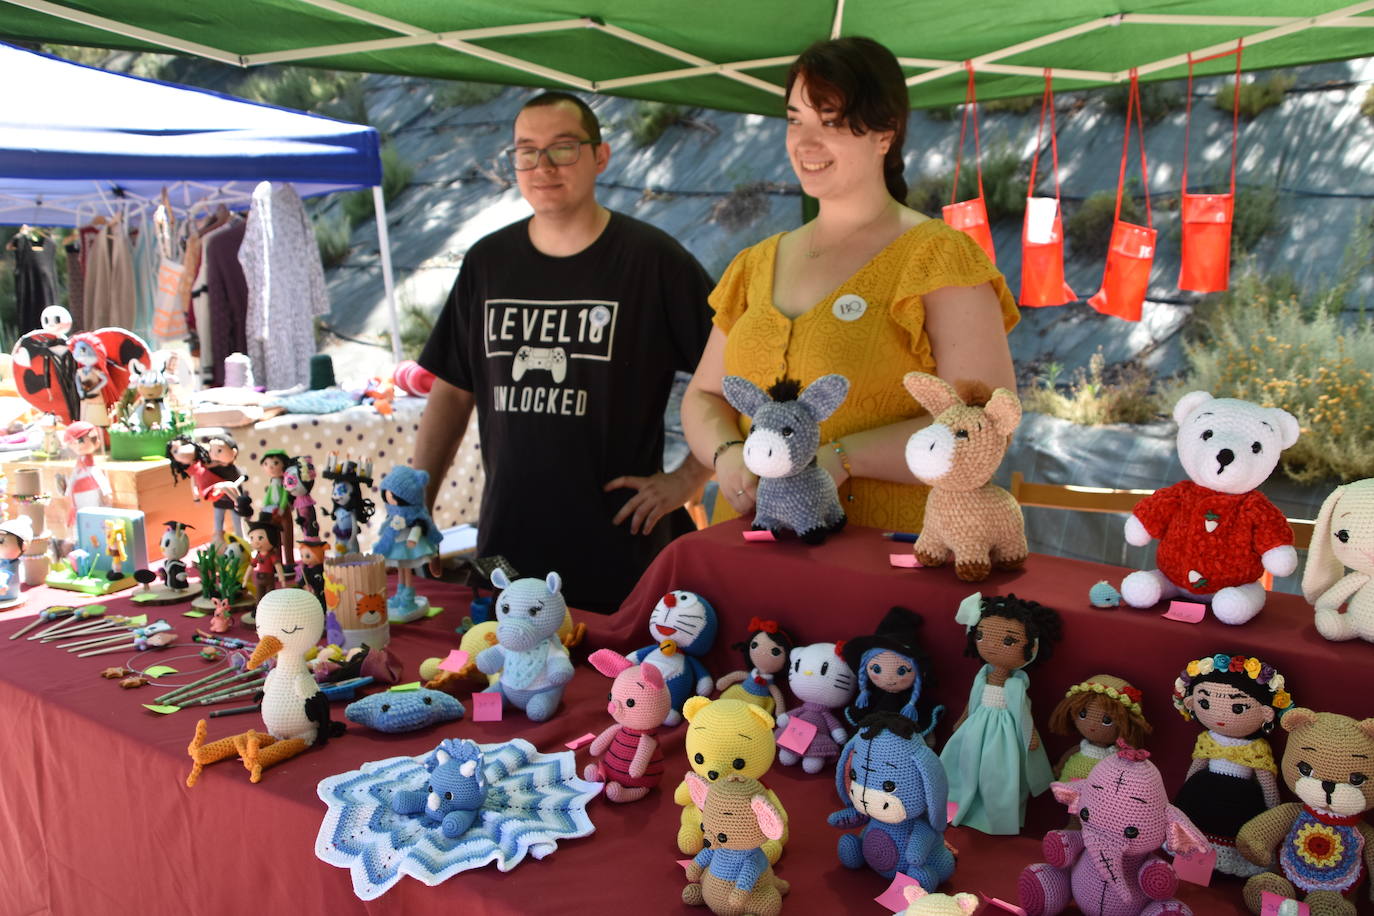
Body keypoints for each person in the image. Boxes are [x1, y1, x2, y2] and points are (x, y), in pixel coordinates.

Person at [682, 36, 1019, 533]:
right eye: (796, 119)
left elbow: (985, 424)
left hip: (885, 557)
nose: (805, 141)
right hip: (746, 546)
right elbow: (705, 395)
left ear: (886, 133)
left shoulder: (938, 258)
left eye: (832, 121)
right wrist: (729, 454)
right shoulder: (755, 263)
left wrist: (842, 457)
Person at [415, 91, 714, 613]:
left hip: (621, 549)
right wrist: (415, 507)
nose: (542, 165)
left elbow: (736, 377)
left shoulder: (653, 261)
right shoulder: (488, 263)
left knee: (621, 693)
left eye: (562, 148)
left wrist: (689, 477)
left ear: (601, 156)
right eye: (526, 150)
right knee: (496, 680)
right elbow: (452, 391)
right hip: (507, 544)